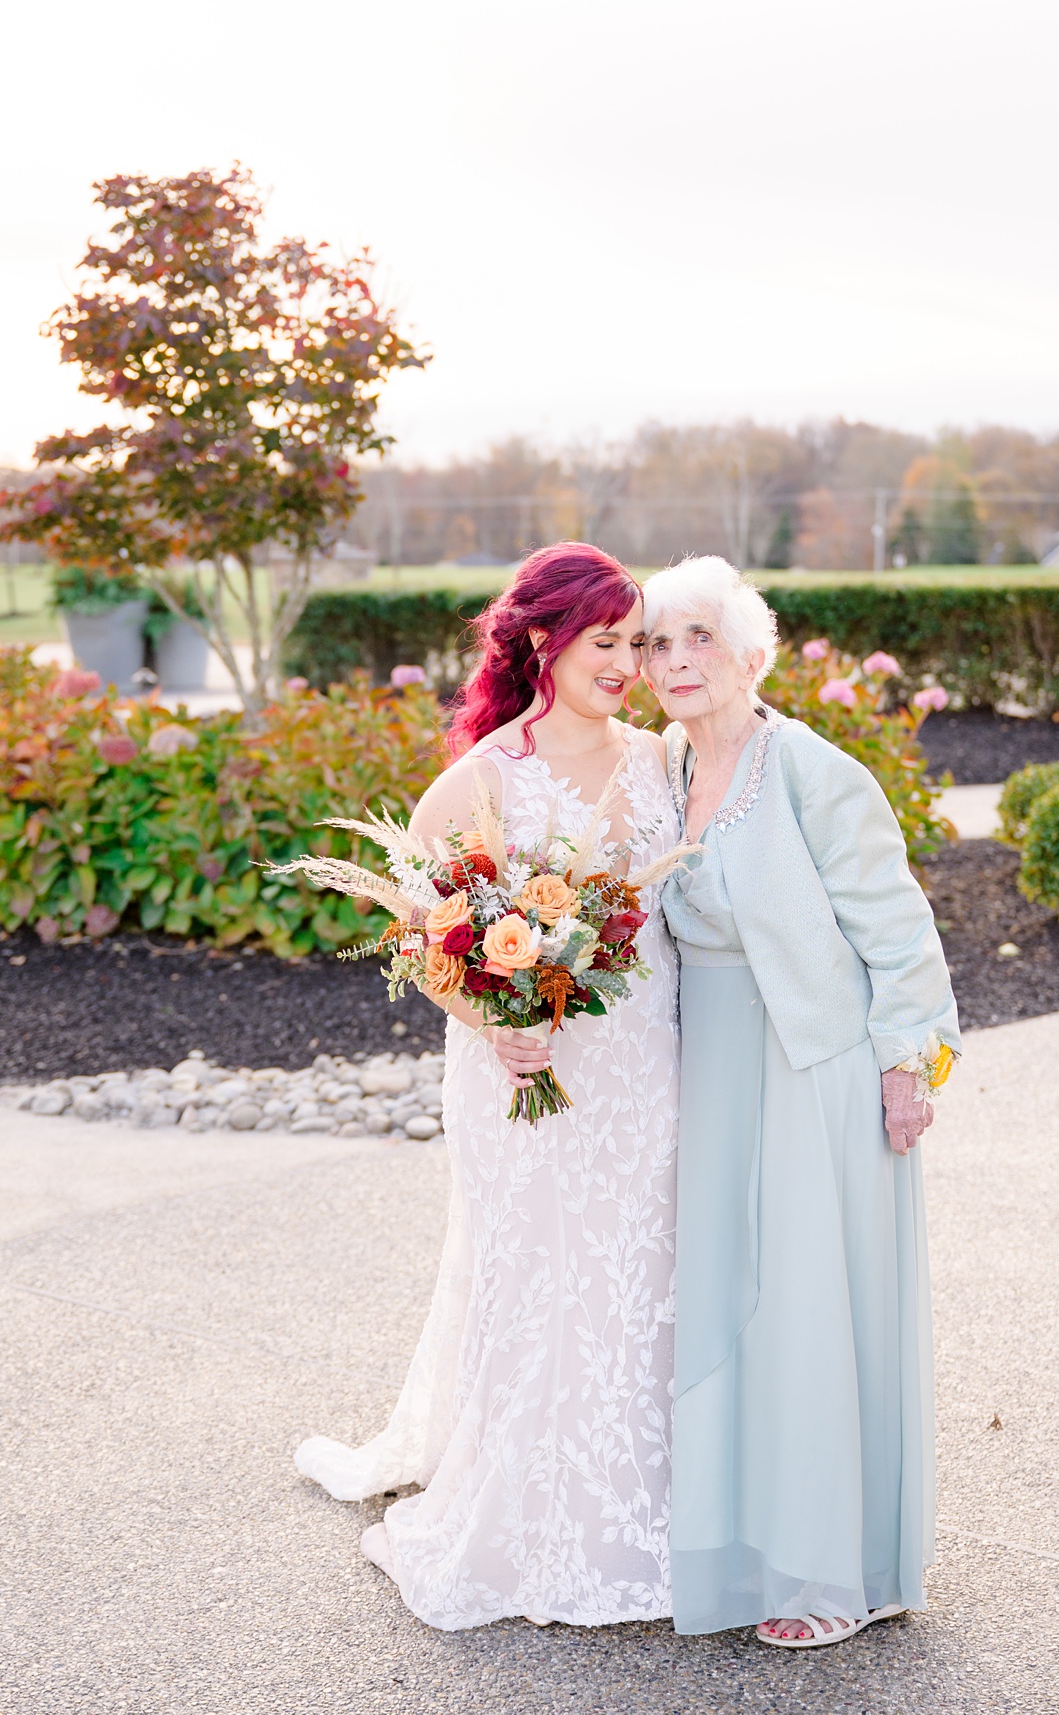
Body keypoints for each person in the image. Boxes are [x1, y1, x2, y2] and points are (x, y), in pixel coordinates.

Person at [295, 542, 684, 1630]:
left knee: (643, 1266)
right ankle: (528, 1506)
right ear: (540, 642)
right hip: (527, 1071)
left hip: (650, 1065)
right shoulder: (482, 778)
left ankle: (651, 1493)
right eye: (607, 642)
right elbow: (421, 938)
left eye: (636, 642)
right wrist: (498, 1022)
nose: (628, 663)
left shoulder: (662, 760)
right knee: (546, 1270)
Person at [640, 555, 958, 1649]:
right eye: (655, 641)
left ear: (749, 654)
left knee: (810, 1310)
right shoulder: (665, 769)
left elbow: (901, 933)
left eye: (698, 638)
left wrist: (911, 1069)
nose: (675, 660)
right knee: (732, 1303)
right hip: (715, 1070)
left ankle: (836, 1568)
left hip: (816, 1067)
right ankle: (740, 1550)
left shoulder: (812, 769)